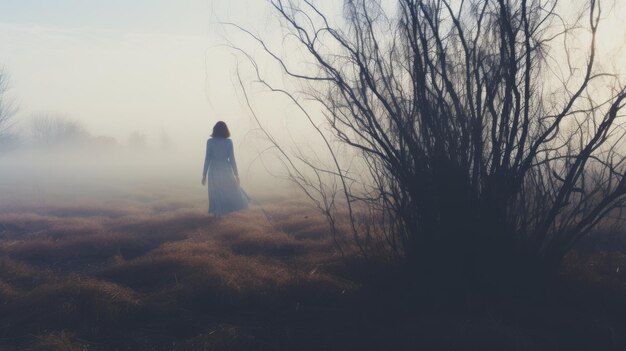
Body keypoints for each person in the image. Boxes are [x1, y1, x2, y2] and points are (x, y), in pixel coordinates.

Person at [201, 121, 249, 216]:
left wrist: (204, 174)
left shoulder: (210, 142)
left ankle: (218, 213)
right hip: (225, 169)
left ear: (214, 130)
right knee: (229, 189)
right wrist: (236, 174)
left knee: (216, 192)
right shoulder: (228, 142)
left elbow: (207, 158)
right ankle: (227, 211)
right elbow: (232, 159)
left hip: (214, 170)